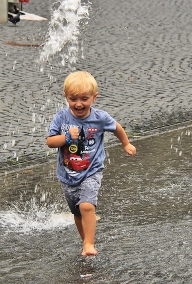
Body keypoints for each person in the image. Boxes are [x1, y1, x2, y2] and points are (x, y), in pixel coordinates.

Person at [46, 71, 136, 256]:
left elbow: (117, 127)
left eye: (84, 99)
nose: (79, 103)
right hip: (67, 174)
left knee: (87, 205)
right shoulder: (61, 117)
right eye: (73, 99)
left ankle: (89, 244)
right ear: (66, 97)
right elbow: (50, 142)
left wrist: (126, 143)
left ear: (94, 98)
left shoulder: (100, 118)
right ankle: (85, 242)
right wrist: (66, 137)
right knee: (77, 212)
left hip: (91, 171)